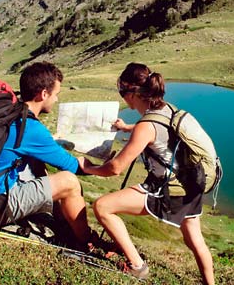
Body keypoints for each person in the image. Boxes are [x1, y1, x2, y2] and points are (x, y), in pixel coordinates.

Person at [77, 62, 215, 283]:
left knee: (102, 207)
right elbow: (157, 128)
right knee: (194, 239)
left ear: (131, 93)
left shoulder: (145, 126)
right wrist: (127, 128)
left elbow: (116, 168)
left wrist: (88, 167)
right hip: (191, 185)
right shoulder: (167, 108)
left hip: (167, 190)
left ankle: (137, 266)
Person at [0, 61, 93, 247]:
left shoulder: (9, 114)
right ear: (44, 94)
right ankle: (86, 242)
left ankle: (65, 228)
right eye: (56, 95)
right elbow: (72, 166)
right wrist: (107, 166)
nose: (56, 100)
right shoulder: (31, 128)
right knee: (69, 182)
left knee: (38, 166)